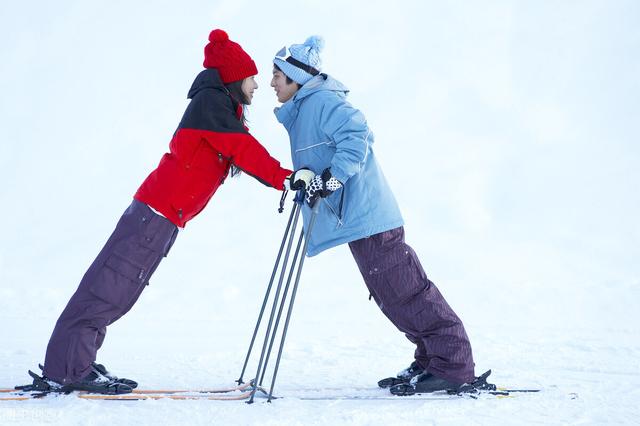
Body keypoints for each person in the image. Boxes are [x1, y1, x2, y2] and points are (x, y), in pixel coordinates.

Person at [28, 29, 314, 395]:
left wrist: (284, 179)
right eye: (251, 76)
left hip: (158, 217)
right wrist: (287, 179)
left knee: (114, 290)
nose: (256, 84)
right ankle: (69, 368)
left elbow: (237, 149)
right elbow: (243, 150)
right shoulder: (212, 105)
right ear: (233, 78)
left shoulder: (217, 106)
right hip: (154, 215)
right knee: (108, 290)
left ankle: (74, 361)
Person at [271, 36, 480, 395]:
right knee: (392, 294)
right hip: (357, 221)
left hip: (370, 217)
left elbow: (357, 135)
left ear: (296, 77)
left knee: (407, 291)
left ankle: (453, 365)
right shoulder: (307, 107)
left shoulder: (321, 100)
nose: (272, 82)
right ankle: (432, 359)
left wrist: (331, 178)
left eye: (277, 74)